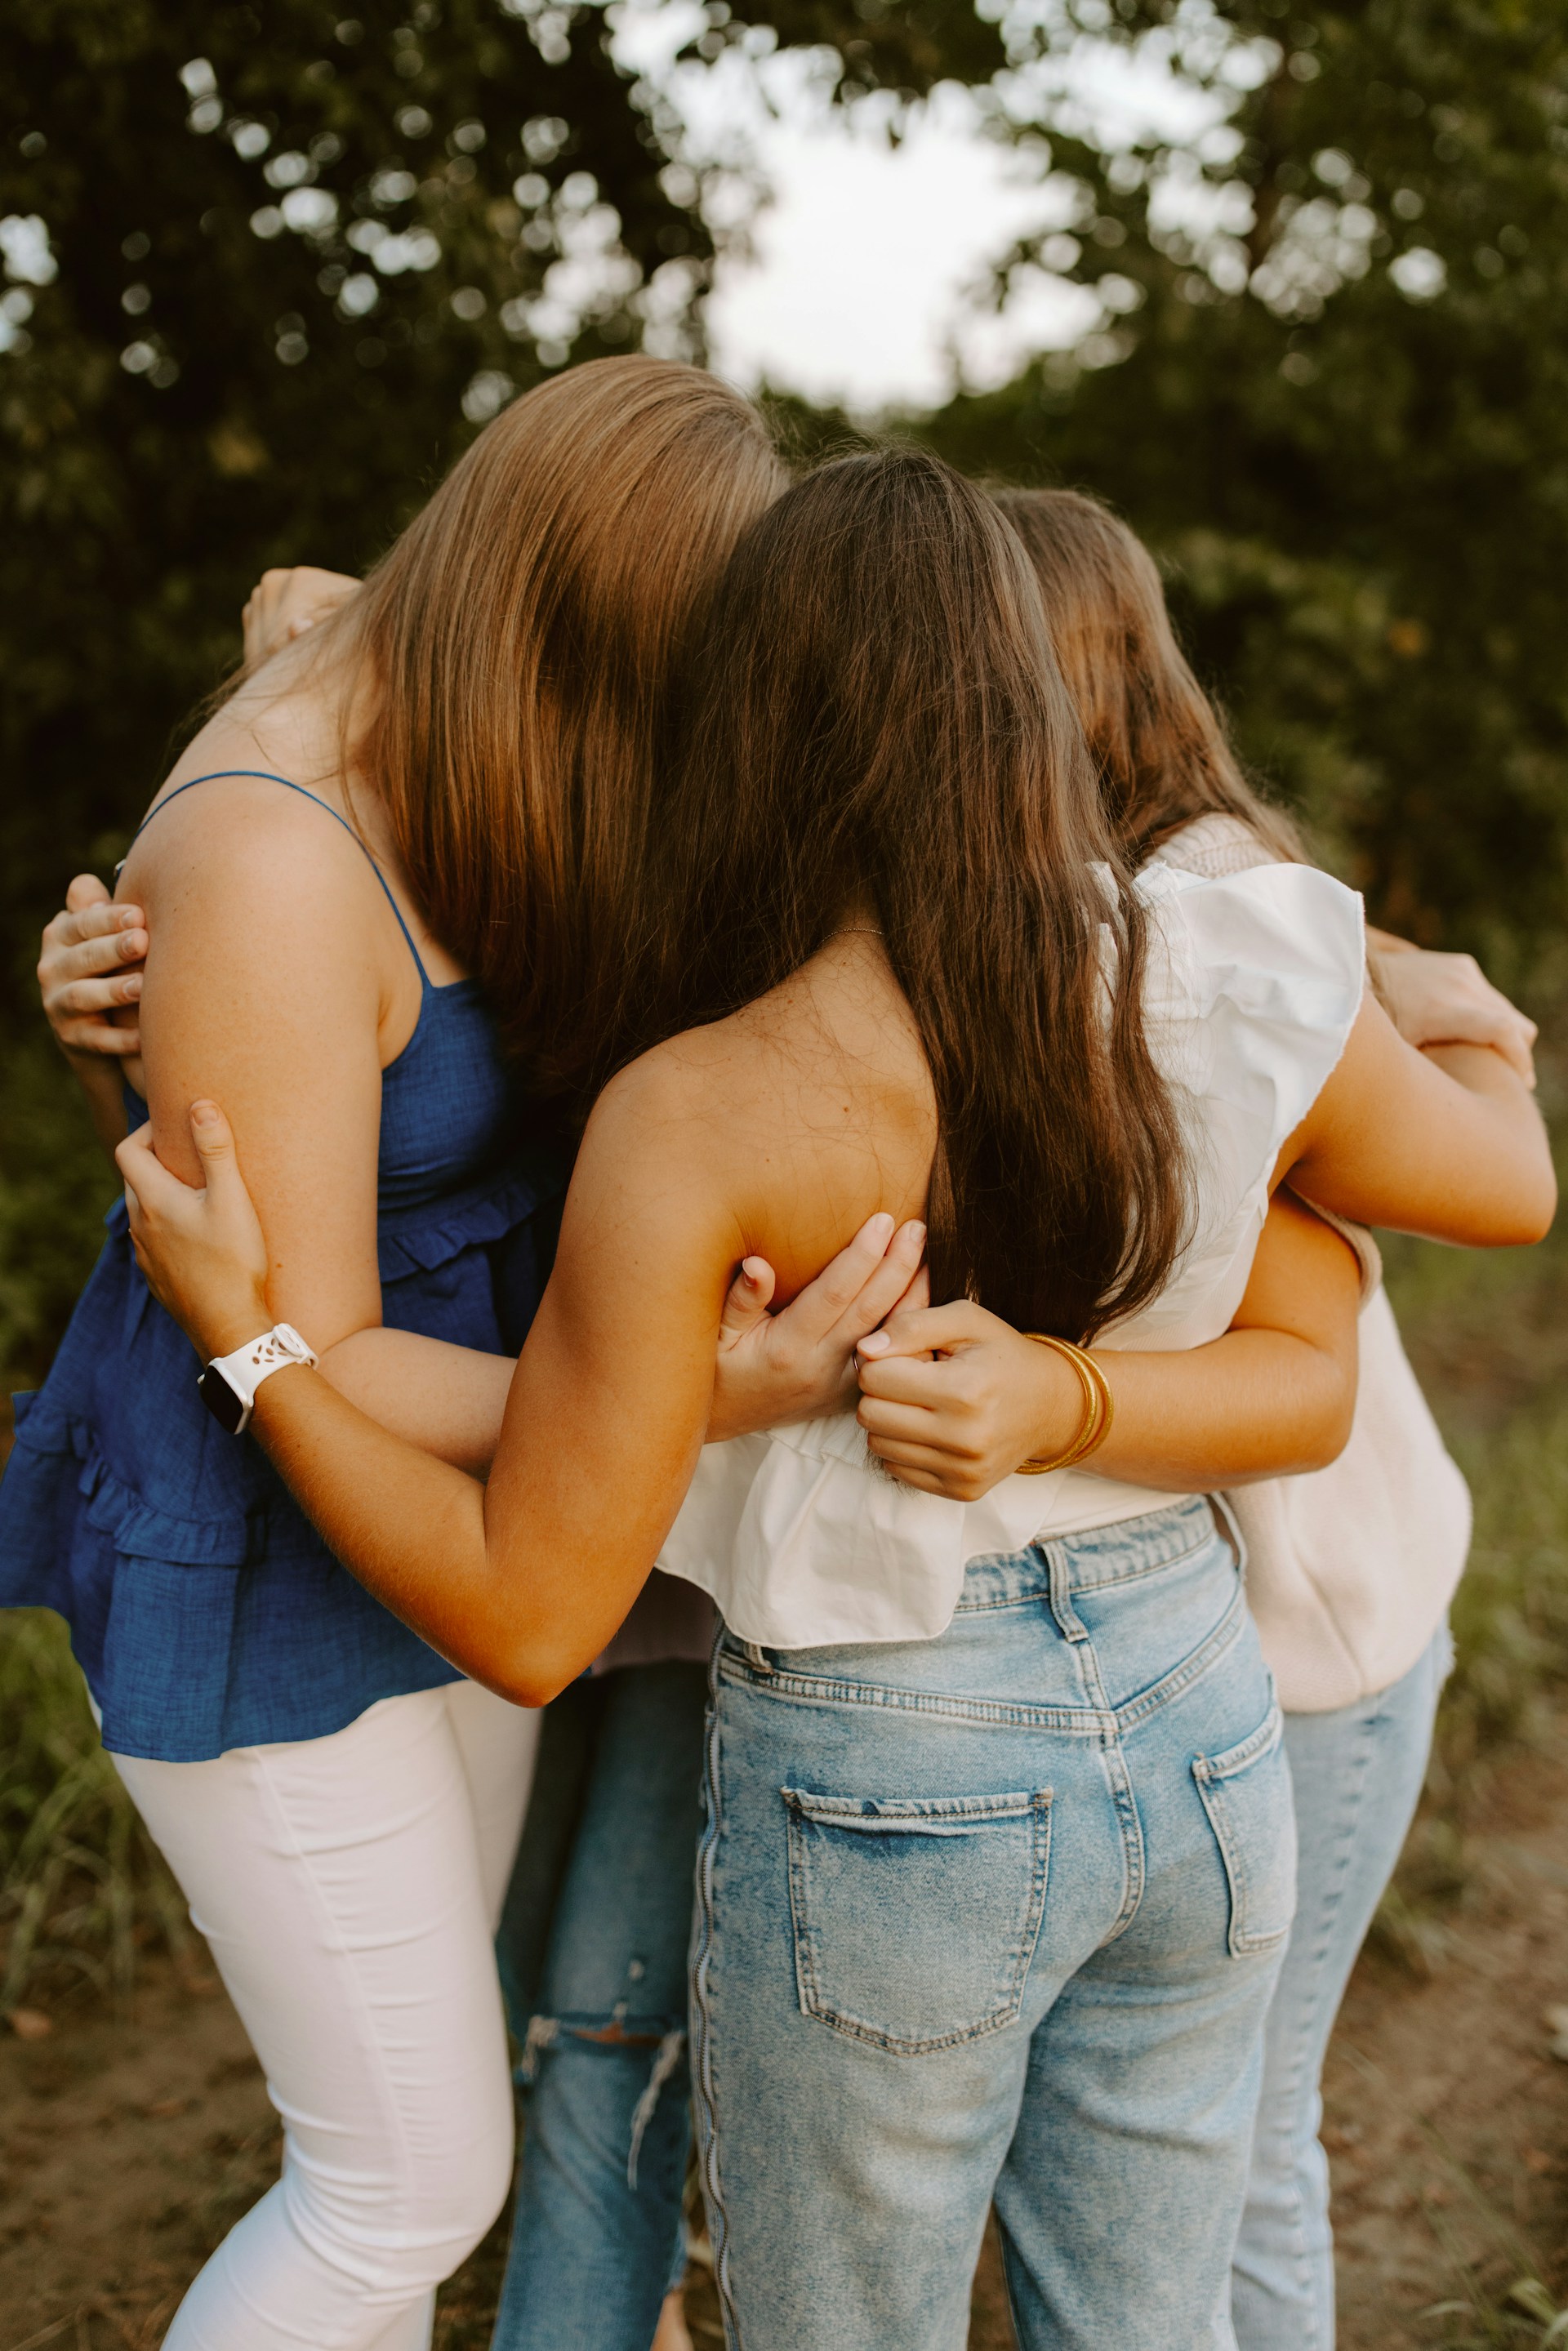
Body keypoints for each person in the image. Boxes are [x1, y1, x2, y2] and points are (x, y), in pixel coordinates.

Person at [113, 447, 1553, 2350]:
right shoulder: (1243, 960)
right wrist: (1476, 1024)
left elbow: (530, 1618)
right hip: (1200, 1712)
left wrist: (258, 1342)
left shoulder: (708, 1108)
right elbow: (1376, 1293)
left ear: (754, 726)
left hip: (907, 1747)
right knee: (1149, 2316)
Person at [2, 356, 931, 2351]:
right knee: (403, 2176)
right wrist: (695, 1393)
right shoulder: (272, 848)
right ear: (574, 622)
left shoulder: (442, 705)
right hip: (271, 1515)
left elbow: (316, 599)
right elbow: (298, 1334)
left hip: (458, 1495)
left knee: (412, 2145)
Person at [989, 486, 1526, 2350]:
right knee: (1161, 2148)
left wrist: (1479, 1033)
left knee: (1231, 2145)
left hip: (1316, 1638)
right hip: (1198, 1633)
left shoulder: (1215, 905)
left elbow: (1481, 1192)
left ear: (1078, 671)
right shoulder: (1041, 904)